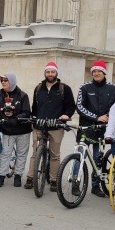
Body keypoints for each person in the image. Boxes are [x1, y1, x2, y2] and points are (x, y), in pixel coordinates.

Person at [26, 61, 76, 191]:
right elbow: (35, 107)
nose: (50, 74)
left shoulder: (64, 88)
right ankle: (30, 178)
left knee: (55, 154)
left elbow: (71, 106)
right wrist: (33, 121)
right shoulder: (38, 88)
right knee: (35, 152)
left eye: (52, 72)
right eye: (48, 72)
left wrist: (66, 115)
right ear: (45, 73)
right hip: (39, 125)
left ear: (56, 73)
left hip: (56, 126)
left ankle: (54, 180)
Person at [75, 60, 115, 197]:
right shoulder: (85, 87)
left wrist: (107, 117)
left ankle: (95, 185)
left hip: (102, 129)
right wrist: (96, 117)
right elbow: (80, 106)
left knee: (97, 158)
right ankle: (75, 182)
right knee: (79, 156)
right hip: (86, 128)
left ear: (104, 73)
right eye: (94, 71)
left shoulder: (113, 88)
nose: (97, 73)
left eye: (99, 71)